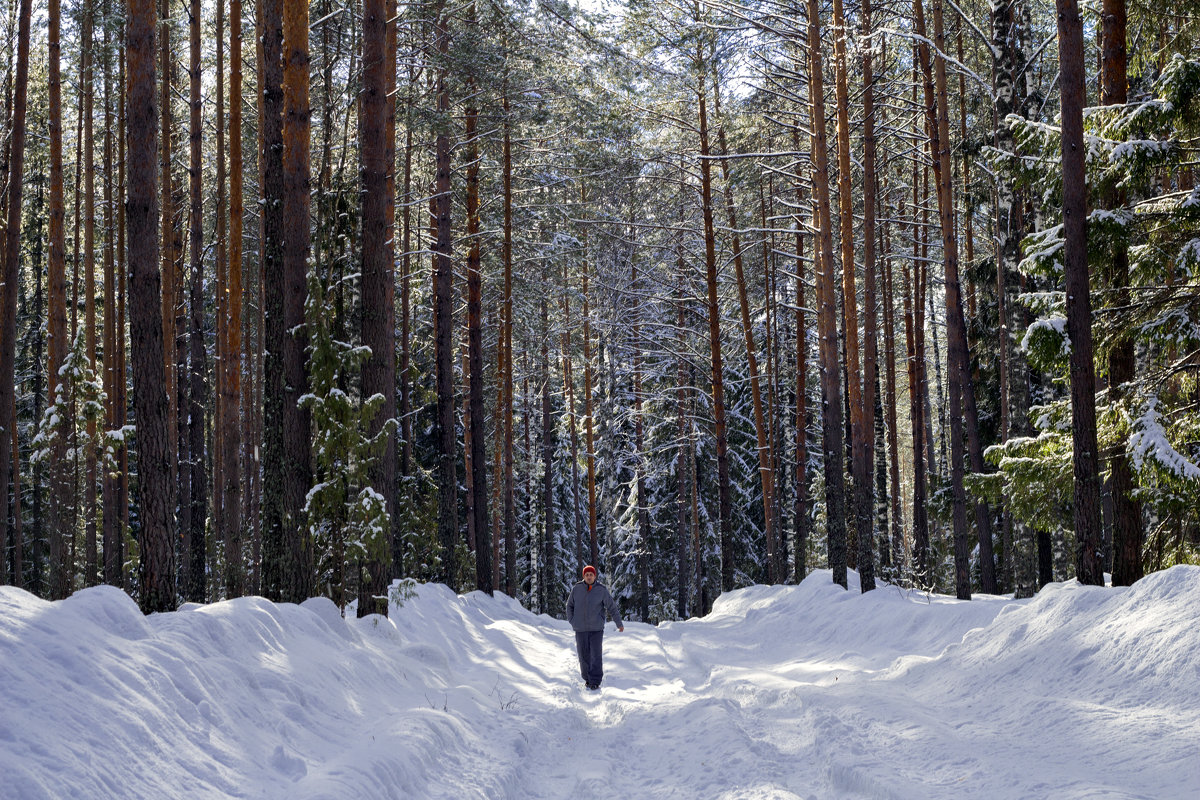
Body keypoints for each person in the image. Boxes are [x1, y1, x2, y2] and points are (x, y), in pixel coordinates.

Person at [566, 565, 624, 690]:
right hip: (580, 628)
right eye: (586, 574)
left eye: (591, 574)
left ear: (595, 576)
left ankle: (595, 681)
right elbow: (569, 605)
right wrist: (572, 620)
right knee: (583, 655)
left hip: (596, 629)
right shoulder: (577, 589)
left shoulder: (601, 590)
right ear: (583, 576)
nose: (589, 576)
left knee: (595, 655)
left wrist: (619, 623)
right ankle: (587, 679)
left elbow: (612, 607)